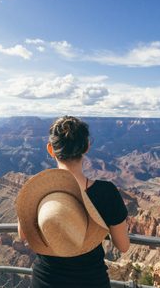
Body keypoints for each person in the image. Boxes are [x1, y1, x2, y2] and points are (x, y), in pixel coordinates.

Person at [16, 115, 130, 288]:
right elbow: (123, 246)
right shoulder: (107, 193)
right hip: (91, 281)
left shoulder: (36, 192)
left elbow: (22, 234)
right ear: (86, 147)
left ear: (50, 149)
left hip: (45, 281)